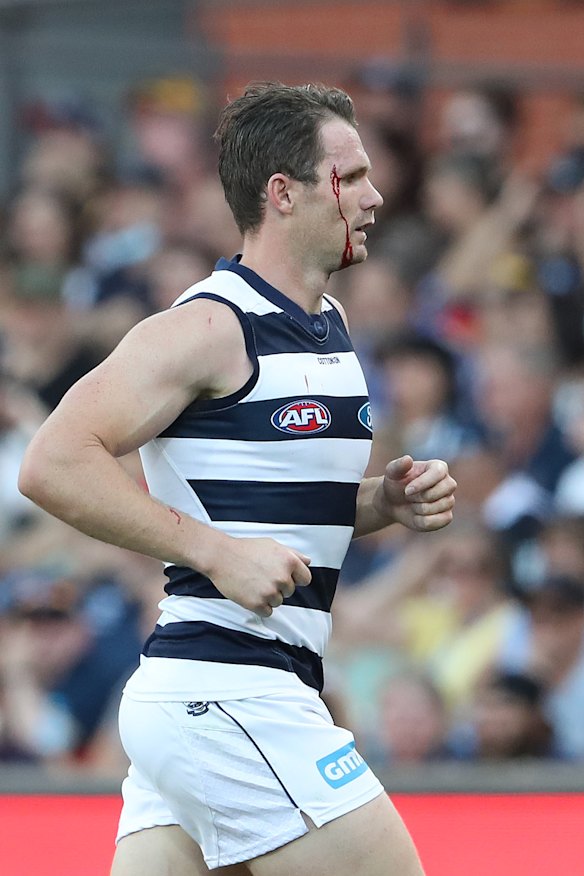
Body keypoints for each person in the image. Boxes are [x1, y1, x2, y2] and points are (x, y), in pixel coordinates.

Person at [19, 82, 456, 876]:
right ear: (283, 194)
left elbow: (281, 517)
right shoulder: (207, 326)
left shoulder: (332, 324)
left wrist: (381, 504)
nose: (376, 194)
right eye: (350, 177)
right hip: (227, 691)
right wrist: (216, 552)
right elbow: (53, 461)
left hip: (216, 698)